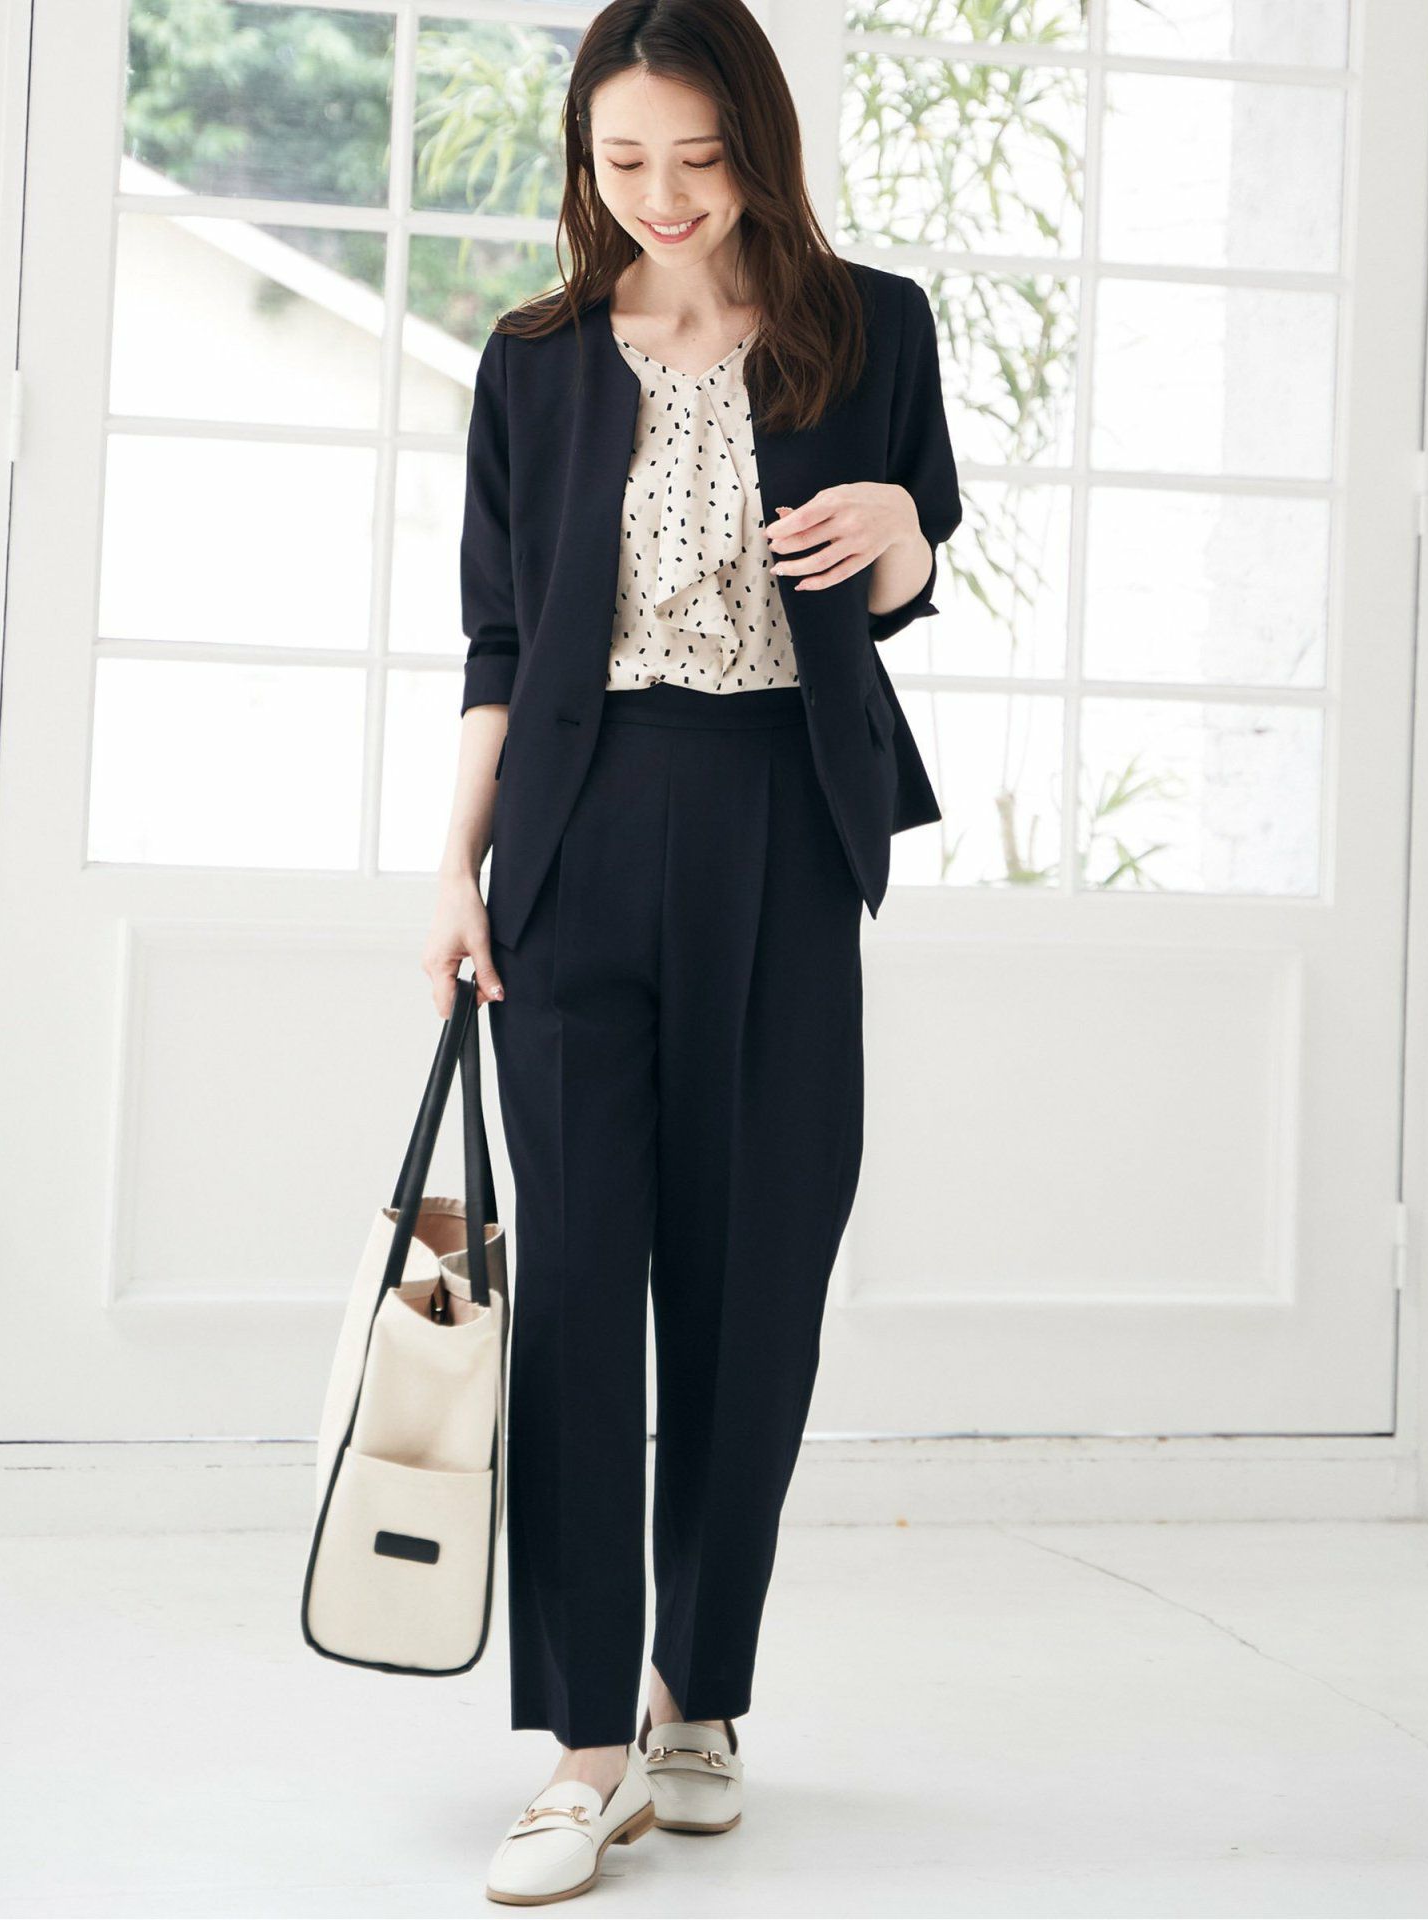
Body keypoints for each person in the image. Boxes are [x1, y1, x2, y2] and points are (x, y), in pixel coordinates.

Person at [422, 0, 961, 1903]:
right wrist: (456, 868)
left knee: (756, 1288)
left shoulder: (868, 326)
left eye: (700, 156)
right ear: (587, 156)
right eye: (624, 157)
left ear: (760, 145)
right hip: (577, 843)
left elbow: (910, 576)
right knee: (579, 1294)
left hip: (784, 832)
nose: (660, 193)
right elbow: (500, 639)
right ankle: (582, 1751)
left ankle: (695, 1700)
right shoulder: (535, 359)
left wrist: (896, 526)